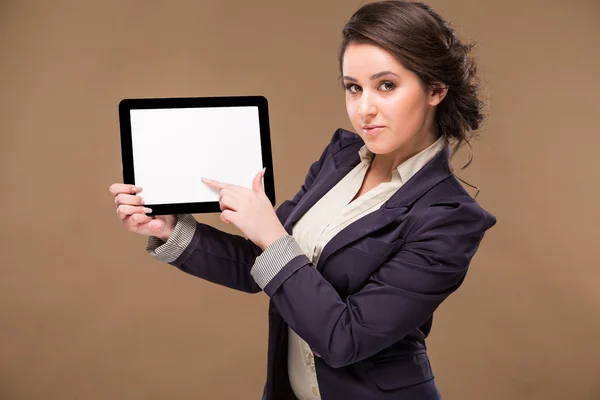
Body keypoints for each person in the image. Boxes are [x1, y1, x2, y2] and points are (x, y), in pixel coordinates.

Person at [109, 1, 497, 399]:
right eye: (353, 87)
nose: (364, 109)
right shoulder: (341, 157)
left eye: (386, 85)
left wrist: (273, 236)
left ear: (435, 89)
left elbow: (345, 338)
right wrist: (173, 229)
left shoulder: (450, 219)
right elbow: (266, 266)